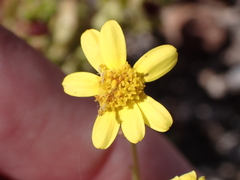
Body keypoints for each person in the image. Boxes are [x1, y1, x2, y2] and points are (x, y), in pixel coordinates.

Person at [0, 25, 193, 180]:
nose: (114, 87)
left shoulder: (136, 82)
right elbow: (72, 83)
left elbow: (145, 128)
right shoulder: (101, 88)